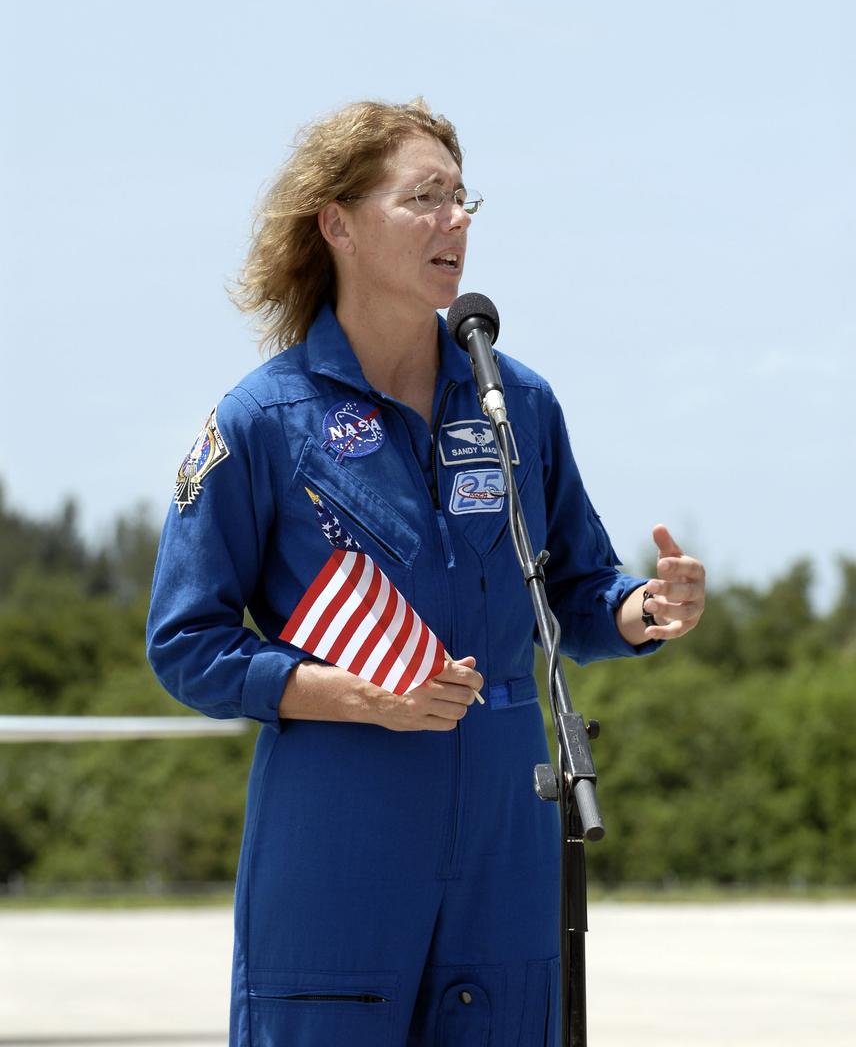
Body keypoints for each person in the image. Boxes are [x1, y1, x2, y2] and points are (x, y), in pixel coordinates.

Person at [146, 99, 705, 1047]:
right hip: (339, 847)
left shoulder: (515, 402)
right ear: (339, 224)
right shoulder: (260, 421)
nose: (458, 221)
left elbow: (573, 589)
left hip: (506, 843)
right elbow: (186, 643)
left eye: (462, 197)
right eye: (425, 198)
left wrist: (642, 608)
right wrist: (357, 696)